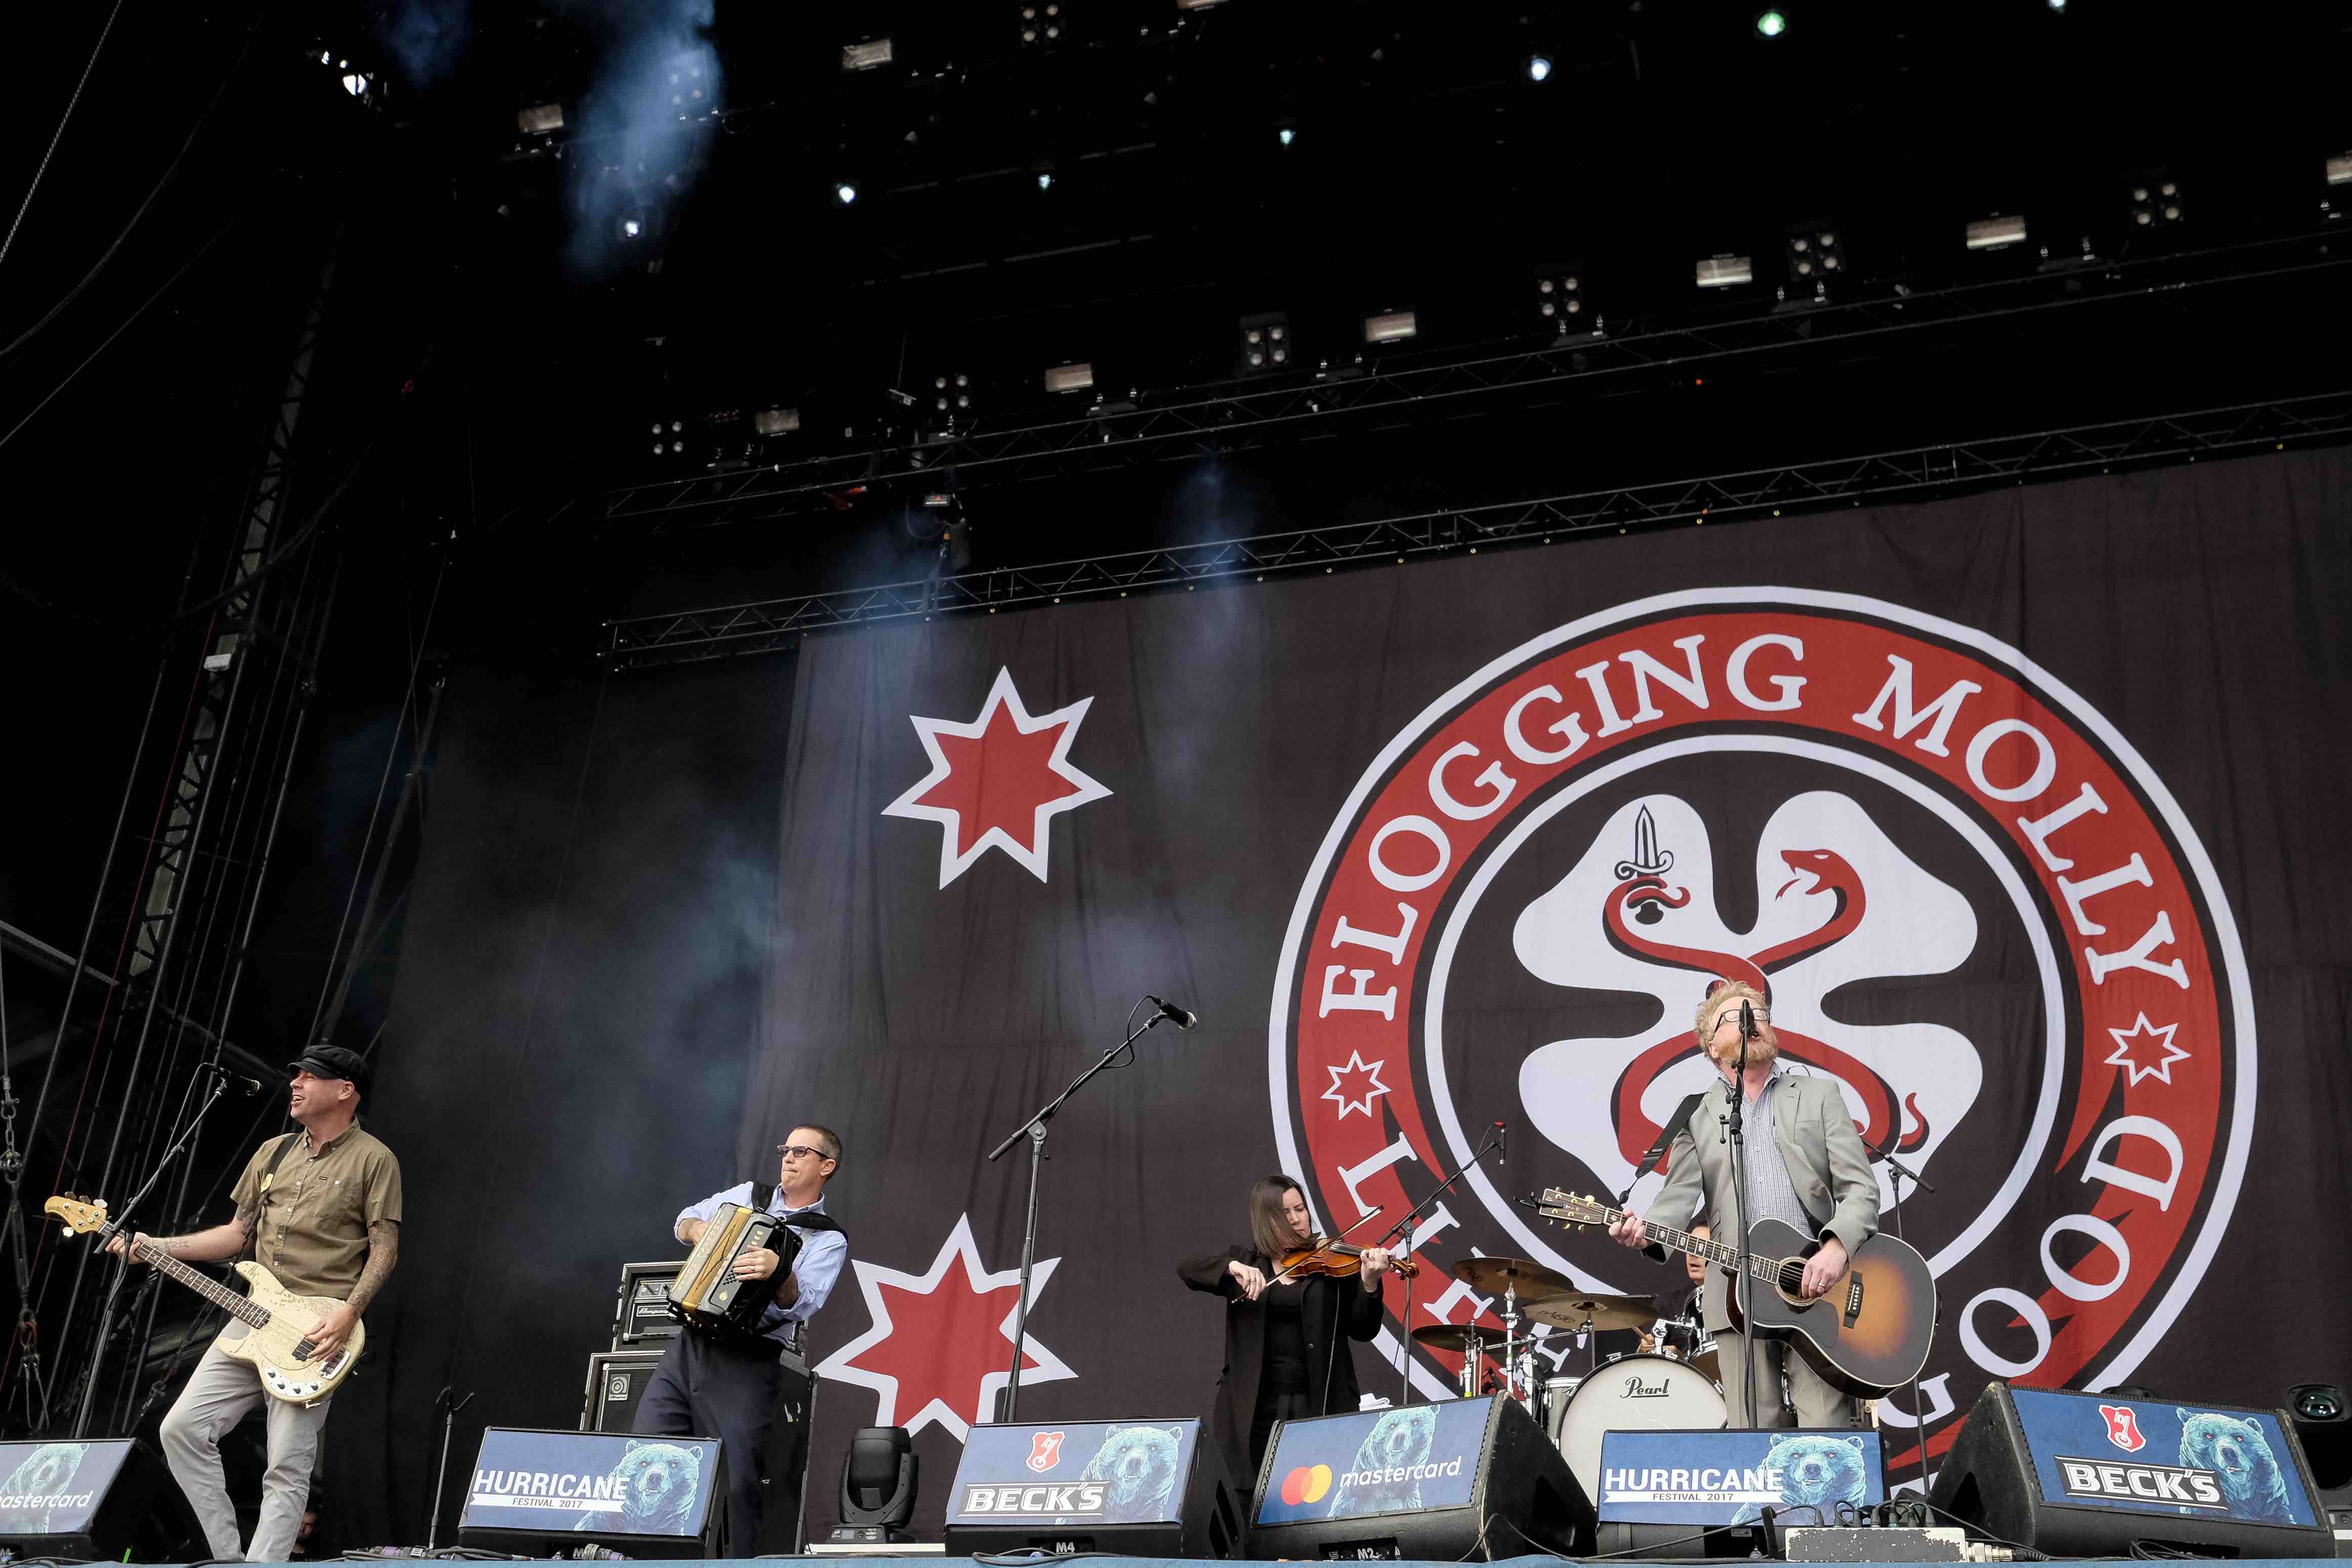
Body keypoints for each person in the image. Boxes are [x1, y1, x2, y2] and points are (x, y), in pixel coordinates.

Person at [111, 1045, 401, 1564]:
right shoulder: (272, 1152)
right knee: (180, 1429)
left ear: (344, 1091)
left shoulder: (374, 1160)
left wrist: (349, 1312)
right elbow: (234, 1238)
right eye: (294, 1075)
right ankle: (226, 1557)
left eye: (310, 1078)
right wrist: (154, 1247)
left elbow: (385, 1248)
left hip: (314, 1331)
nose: (295, 1084)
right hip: (251, 1317)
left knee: (287, 1464)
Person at [1607, 981, 1877, 1428]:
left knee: (1827, 1432)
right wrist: (1643, 1232)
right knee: (1754, 1432)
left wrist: (1836, 1250)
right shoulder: (1695, 1113)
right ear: (1712, 1046)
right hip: (1736, 1294)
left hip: (1817, 1289)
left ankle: (1830, 1505)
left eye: (1760, 1013)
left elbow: (1862, 1190)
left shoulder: (1819, 1095)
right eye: (1735, 1016)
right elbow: (1675, 1200)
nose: (1752, 1020)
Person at [638, 1125, 849, 1555]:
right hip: (690, 1345)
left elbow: (800, 1303)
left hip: (748, 1358)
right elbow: (683, 1219)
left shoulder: (827, 1237)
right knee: (646, 1449)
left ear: (826, 1166)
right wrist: (699, 1230)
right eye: (785, 1149)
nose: (788, 1157)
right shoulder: (749, 1195)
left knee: (736, 1484)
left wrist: (779, 1268)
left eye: (801, 1152)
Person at [1178, 1175, 1397, 1491]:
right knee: (1249, 1498)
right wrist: (1232, 1268)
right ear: (1267, 1221)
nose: (1297, 1220)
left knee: (1314, 1498)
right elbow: (1188, 1268)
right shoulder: (1248, 1263)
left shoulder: (1332, 1263)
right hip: (1254, 1404)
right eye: (1286, 1213)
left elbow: (1364, 1330)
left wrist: (1371, 1283)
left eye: (1301, 1209)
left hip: (1317, 1401)